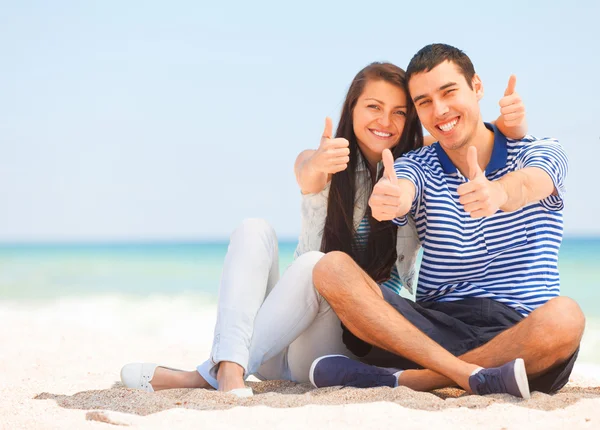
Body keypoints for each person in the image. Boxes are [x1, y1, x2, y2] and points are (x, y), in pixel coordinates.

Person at [120, 61, 527, 396]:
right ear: (352, 108)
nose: (386, 120)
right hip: (275, 338)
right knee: (254, 228)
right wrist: (317, 163)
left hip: (331, 347)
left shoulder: (418, 167)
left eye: (399, 111)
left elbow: (461, 133)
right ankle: (226, 370)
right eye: (373, 107)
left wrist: (507, 124)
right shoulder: (326, 159)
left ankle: (209, 374)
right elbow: (305, 171)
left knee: (322, 264)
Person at [308, 44, 584, 399]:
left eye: (449, 92)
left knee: (566, 317)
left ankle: (414, 380)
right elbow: (402, 186)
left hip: (521, 330)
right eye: (423, 101)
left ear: (477, 87)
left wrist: (498, 193)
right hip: (435, 327)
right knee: (330, 268)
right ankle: (468, 374)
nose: (439, 110)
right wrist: (391, 198)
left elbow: (532, 182)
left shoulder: (539, 149)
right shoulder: (416, 165)